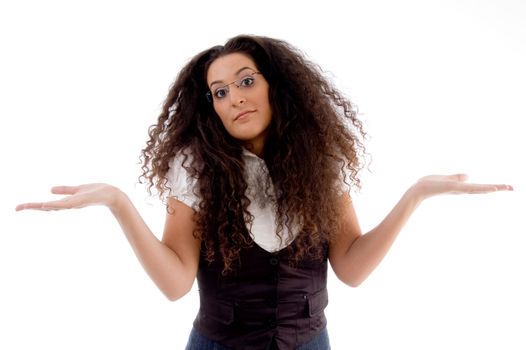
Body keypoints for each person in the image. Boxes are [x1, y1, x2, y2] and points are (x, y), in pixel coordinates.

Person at [15, 34, 513, 350]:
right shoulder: (195, 167)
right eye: (219, 92)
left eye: (244, 81)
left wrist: (416, 195)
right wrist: (118, 204)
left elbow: (352, 269)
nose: (234, 98)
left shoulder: (320, 161)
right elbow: (174, 285)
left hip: (311, 343)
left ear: (275, 86)